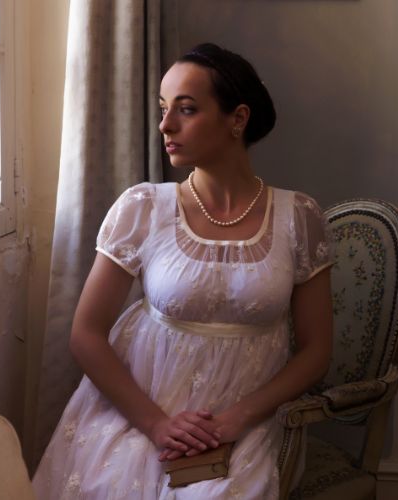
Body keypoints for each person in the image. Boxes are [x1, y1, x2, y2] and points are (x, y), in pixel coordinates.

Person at [32, 42, 334, 499]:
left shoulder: (300, 217)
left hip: (243, 421)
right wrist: (156, 424)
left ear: (238, 119)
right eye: (163, 107)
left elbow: (316, 350)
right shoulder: (143, 208)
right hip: (139, 412)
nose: (165, 125)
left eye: (186, 109)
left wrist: (239, 417)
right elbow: (86, 333)